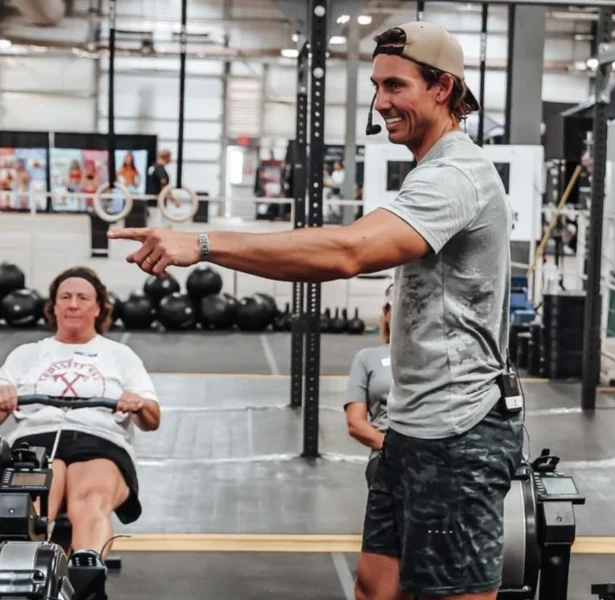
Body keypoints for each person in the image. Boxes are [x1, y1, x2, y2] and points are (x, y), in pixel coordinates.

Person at [109, 20, 522, 600]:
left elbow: (349, 251)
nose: (381, 103)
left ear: (443, 88)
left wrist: (201, 244)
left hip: (460, 431)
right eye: (377, 87)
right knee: (376, 588)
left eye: (396, 86)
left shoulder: (457, 174)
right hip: (410, 424)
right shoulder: (430, 169)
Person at [0, 266, 161, 569]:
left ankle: (86, 574)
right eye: (66, 297)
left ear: (98, 307)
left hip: (99, 440)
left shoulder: (119, 355)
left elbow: (152, 419)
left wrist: (138, 403)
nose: (74, 304)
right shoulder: (25, 355)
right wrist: (4, 398)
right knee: (29, 507)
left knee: (88, 501)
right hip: (34, 441)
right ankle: (21, 578)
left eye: (83, 297)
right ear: (54, 306)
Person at [344, 282, 393, 488]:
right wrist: (394, 448)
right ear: (386, 312)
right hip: (387, 455)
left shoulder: (436, 356)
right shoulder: (368, 358)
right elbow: (355, 423)